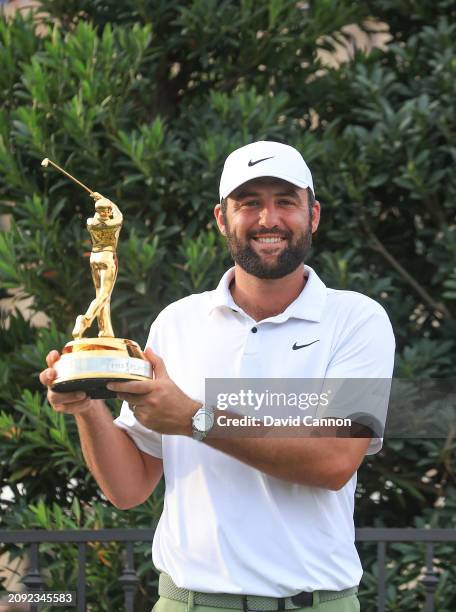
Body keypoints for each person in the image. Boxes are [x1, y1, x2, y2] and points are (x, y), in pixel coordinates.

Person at [40, 141, 395, 612]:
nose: (268, 219)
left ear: (313, 216)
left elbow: (332, 462)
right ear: (222, 219)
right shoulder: (176, 322)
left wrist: (194, 419)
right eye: (249, 203)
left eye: (285, 201)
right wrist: (87, 408)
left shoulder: (357, 319)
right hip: (186, 602)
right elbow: (129, 488)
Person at [72, 192, 123, 339]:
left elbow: (97, 217)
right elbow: (118, 213)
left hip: (94, 257)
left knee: (100, 295)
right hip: (107, 257)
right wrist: (104, 199)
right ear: (107, 211)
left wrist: (99, 202)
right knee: (104, 295)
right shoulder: (115, 223)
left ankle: (105, 330)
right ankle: (85, 319)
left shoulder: (91, 223)